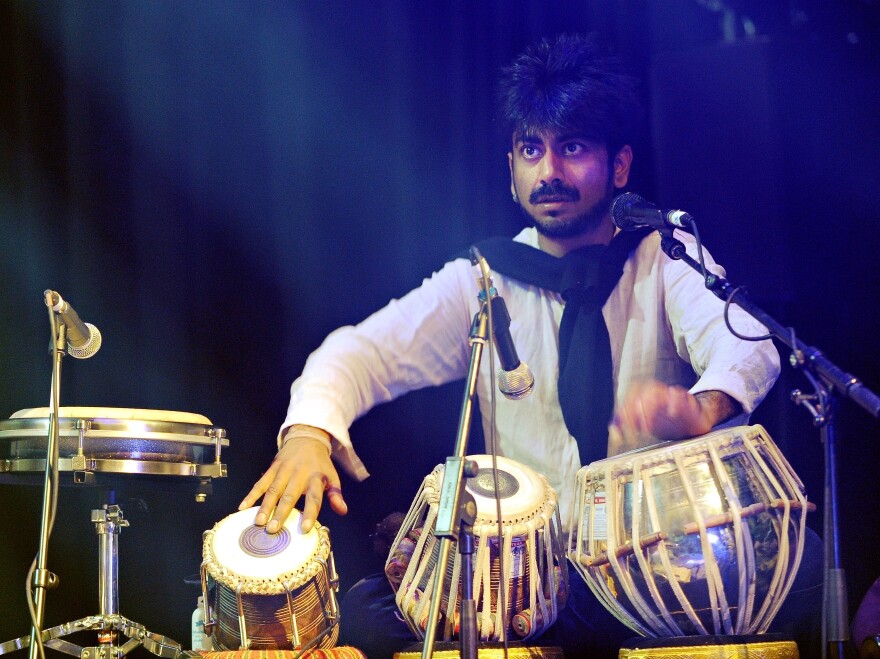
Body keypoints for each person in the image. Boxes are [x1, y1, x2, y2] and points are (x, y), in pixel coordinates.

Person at [239, 34, 802, 657]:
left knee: (789, 580)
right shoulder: (483, 280)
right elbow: (359, 354)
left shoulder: (664, 255)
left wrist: (703, 407)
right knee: (367, 615)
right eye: (531, 149)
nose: (549, 172)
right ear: (511, 165)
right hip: (525, 580)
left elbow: (748, 344)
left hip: (652, 568)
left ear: (619, 165)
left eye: (573, 148)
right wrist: (309, 435)